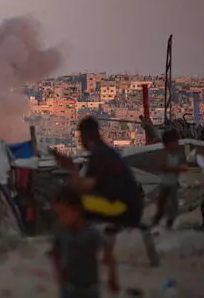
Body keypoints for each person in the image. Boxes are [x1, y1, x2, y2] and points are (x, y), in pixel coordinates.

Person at [53, 116, 159, 266]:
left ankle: (71, 250)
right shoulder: (104, 153)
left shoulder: (100, 155)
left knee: (70, 204)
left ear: (85, 136)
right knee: (73, 200)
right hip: (130, 205)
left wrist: (71, 168)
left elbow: (85, 186)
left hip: (122, 208)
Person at [50, 185, 119, 298]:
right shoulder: (60, 231)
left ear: (77, 210)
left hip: (90, 289)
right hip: (69, 288)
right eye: (58, 214)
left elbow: (108, 254)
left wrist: (112, 277)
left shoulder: (92, 233)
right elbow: (55, 252)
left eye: (63, 213)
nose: (60, 218)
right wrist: (59, 274)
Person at [151, 130, 188, 229]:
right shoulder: (165, 153)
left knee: (174, 207)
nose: (177, 143)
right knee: (162, 208)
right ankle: (154, 226)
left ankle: (168, 226)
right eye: (175, 141)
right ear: (169, 143)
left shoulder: (176, 153)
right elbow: (161, 167)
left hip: (173, 183)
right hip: (165, 185)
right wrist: (177, 169)